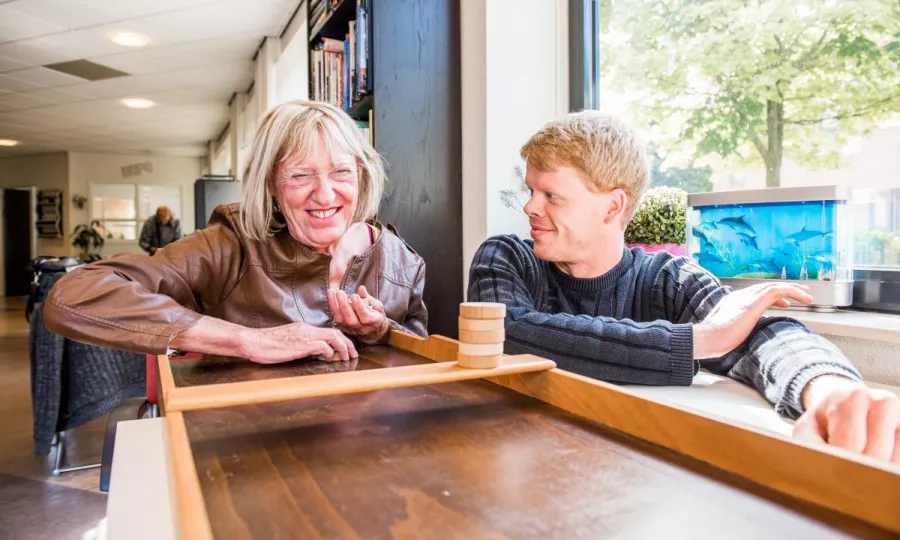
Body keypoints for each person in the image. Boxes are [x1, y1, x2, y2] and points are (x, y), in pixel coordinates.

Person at [468, 111, 900, 464]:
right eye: (531, 190)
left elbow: (764, 336)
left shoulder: (669, 279)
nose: (530, 206)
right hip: (516, 464)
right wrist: (699, 340)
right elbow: (506, 334)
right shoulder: (506, 257)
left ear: (613, 206)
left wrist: (829, 389)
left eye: (550, 195)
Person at [44, 100, 427, 364]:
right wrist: (247, 340)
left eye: (341, 171)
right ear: (270, 184)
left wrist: (380, 331)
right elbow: (73, 296)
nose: (325, 194)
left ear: (362, 174)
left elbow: (423, 373)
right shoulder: (232, 243)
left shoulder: (403, 262)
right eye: (300, 175)